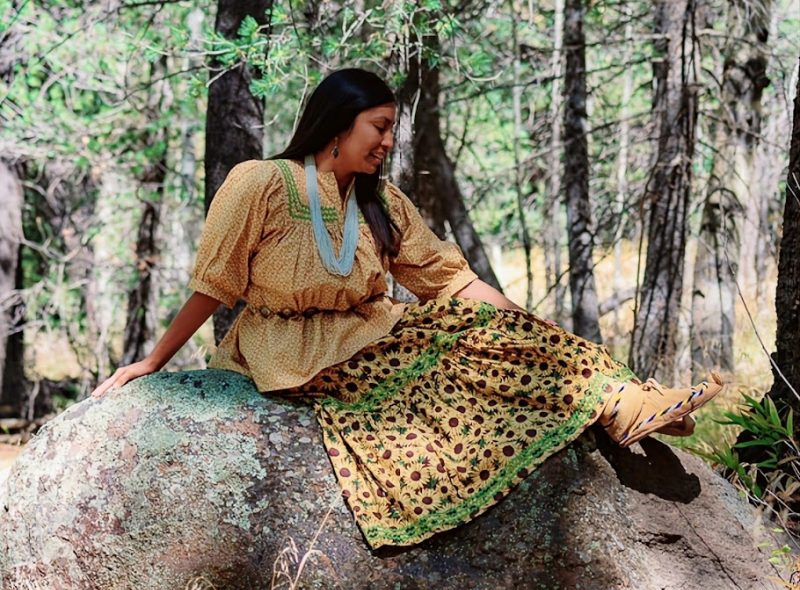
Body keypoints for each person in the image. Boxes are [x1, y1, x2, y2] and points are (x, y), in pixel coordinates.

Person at [91, 67, 724, 550]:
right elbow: (215, 286)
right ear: (339, 127)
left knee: (494, 336)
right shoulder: (259, 184)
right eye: (380, 127)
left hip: (374, 329)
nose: (390, 141)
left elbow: (449, 281)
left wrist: (530, 324)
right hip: (289, 348)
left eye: (392, 128)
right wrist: (152, 362)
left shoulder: (380, 202)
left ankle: (625, 403)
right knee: (464, 361)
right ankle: (617, 403)